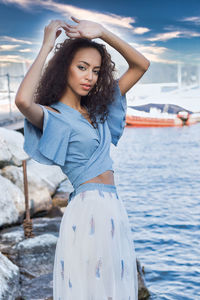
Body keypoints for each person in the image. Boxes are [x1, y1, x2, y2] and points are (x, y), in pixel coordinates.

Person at [15, 16, 150, 300]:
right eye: (82, 67)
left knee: (115, 288)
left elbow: (141, 65)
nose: (90, 76)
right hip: (86, 210)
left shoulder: (100, 108)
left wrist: (103, 33)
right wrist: (47, 46)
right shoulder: (52, 116)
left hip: (114, 208)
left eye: (96, 70)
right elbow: (24, 101)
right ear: (65, 69)